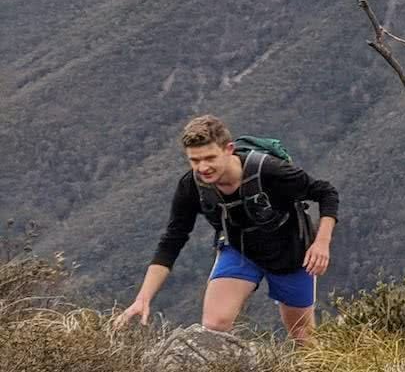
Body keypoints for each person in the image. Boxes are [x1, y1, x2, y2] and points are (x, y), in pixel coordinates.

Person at [113, 114, 339, 345]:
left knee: (303, 336)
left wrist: (321, 242)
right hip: (240, 251)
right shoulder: (192, 185)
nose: (203, 167)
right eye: (194, 160)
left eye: (210, 158)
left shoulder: (270, 171)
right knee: (213, 327)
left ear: (229, 149)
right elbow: (173, 239)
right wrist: (143, 298)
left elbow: (326, 192)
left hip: (290, 253)